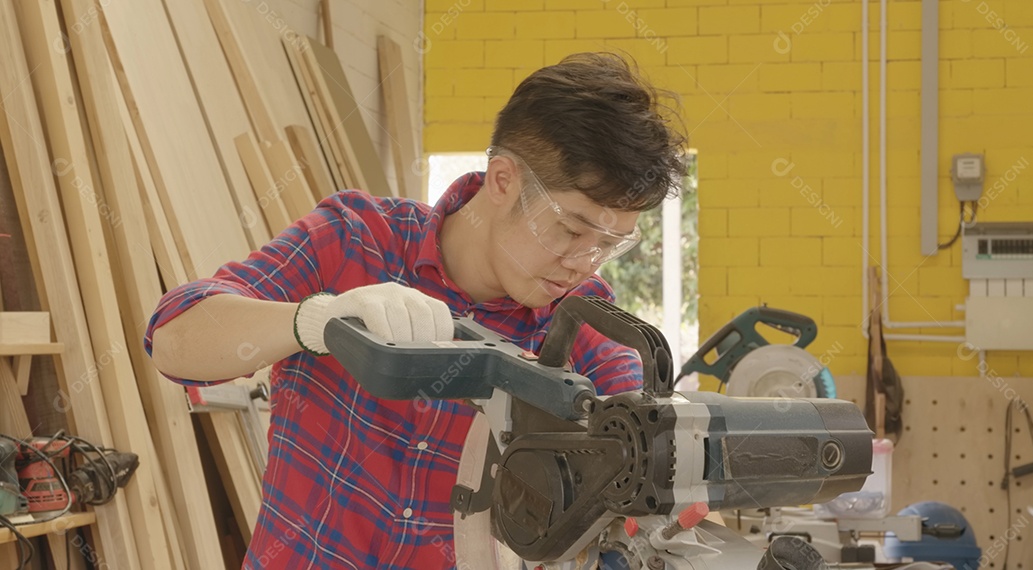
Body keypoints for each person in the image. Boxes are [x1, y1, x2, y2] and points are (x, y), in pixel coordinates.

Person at [146, 52, 686, 569]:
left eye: (609, 245)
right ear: (503, 181)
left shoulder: (585, 323)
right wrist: (314, 321)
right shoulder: (356, 239)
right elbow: (175, 340)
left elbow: (642, 426)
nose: (583, 264)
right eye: (570, 230)